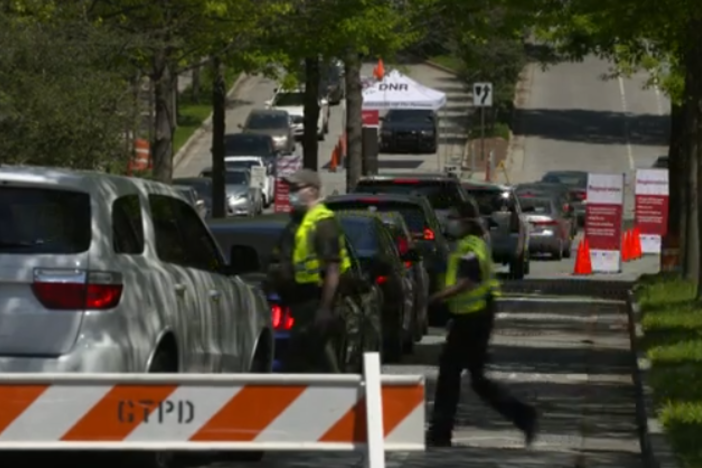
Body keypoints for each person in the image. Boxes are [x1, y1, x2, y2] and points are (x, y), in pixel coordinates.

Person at [426, 204, 538, 447]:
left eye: (454, 218)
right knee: (474, 379)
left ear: (465, 221)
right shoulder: (471, 243)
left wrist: (440, 297)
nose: (450, 223)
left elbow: (468, 281)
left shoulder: (470, 247)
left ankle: (440, 431)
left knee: (450, 374)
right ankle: (523, 416)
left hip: (474, 318)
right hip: (472, 316)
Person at [265, 168, 352, 373]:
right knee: (307, 364)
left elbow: (333, 267)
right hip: (300, 305)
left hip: (316, 302)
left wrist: (324, 309)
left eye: (296, 188)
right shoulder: (299, 222)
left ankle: (339, 399)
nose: (291, 194)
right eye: (289, 189)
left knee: (313, 363)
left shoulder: (322, 222)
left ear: (312, 191)